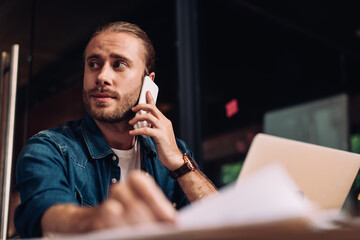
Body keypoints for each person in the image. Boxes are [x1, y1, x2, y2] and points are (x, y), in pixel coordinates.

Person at [14, 21, 217, 238]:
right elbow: (45, 212)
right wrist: (99, 220)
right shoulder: (49, 148)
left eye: (119, 64)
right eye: (93, 64)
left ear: (148, 83)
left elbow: (220, 221)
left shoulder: (173, 152)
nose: (101, 76)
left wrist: (179, 163)